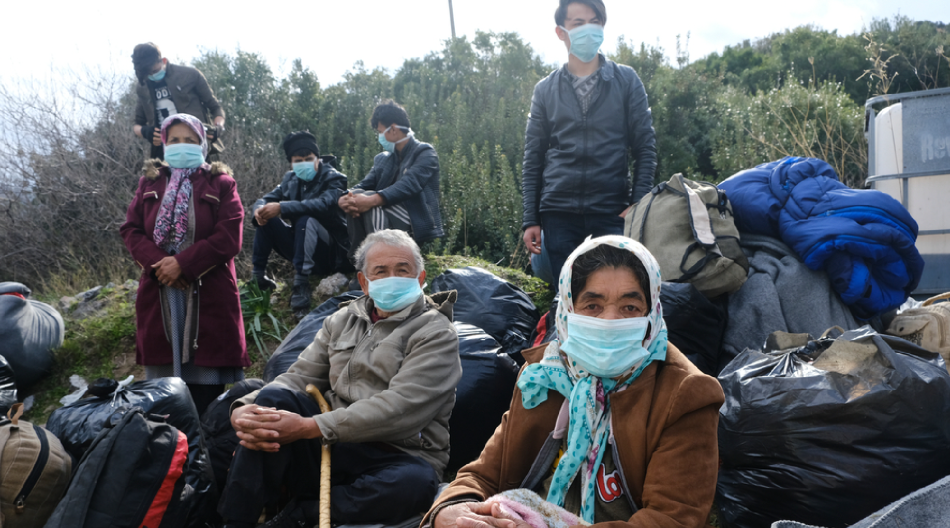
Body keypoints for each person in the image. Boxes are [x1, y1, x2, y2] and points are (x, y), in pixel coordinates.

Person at [424, 236, 724, 528]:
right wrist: (451, 509)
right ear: (567, 311)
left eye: (630, 308)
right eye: (592, 306)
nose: (610, 321)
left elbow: (671, 518)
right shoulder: (544, 376)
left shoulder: (685, 395)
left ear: (652, 314)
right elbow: (483, 474)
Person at [219, 229, 461, 528]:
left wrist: (311, 427)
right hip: (331, 442)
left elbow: (402, 407)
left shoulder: (436, 331)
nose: (392, 278)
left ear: (420, 277)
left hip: (398, 453)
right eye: (380, 271)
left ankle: (298, 516)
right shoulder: (341, 320)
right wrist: (244, 408)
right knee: (272, 402)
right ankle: (237, 520)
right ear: (364, 281)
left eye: (403, 270)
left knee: (414, 484)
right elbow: (299, 376)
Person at [120, 113, 248, 416]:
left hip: (207, 290)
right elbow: (131, 229)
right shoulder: (149, 182)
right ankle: (174, 443)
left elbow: (229, 236)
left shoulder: (221, 183)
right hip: (161, 288)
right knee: (164, 398)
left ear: (202, 144)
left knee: (206, 395)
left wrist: (184, 264)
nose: (181, 145)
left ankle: (206, 438)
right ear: (164, 144)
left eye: (190, 140)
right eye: (174, 140)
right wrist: (161, 265)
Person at [522, 0, 658, 282]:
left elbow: (645, 147)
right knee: (568, 293)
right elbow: (533, 157)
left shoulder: (626, 80)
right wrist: (530, 219)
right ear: (561, 32)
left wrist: (638, 204)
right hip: (558, 212)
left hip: (613, 211)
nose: (589, 29)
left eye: (595, 21)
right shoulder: (545, 89)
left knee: (613, 290)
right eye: (579, 23)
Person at [251, 131, 350, 316]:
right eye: (298, 160)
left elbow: (324, 204)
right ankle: (258, 277)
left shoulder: (334, 178)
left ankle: (301, 284)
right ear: (291, 163)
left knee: (306, 218)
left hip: (330, 253)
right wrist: (259, 210)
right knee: (267, 216)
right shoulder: (290, 179)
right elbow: (265, 199)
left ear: (318, 158)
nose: (304, 163)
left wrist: (283, 207)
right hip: (301, 247)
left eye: (309, 159)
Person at [337, 100, 443, 262]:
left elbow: (409, 184)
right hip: (384, 216)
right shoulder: (383, 159)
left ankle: (380, 260)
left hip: (414, 221)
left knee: (372, 203)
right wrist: (345, 197)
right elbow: (365, 184)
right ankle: (360, 260)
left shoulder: (425, 153)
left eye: (380, 132)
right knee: (357, 195)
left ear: (393, 129)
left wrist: (373, 199)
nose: (380, 137)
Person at [132, 42, 226, 160]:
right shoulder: (142, 87)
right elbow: (137, 124)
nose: (152, 76)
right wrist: (146, 132)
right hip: (165, 154)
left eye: (155, 71)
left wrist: (218, 128)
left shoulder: (189, 75)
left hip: (196, 148)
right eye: (148, 74)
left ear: (164, 61)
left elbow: (216, 108)